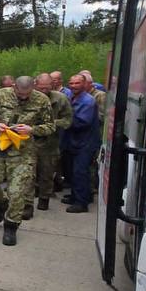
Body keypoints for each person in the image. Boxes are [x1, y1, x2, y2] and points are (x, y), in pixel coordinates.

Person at [0, 75, 53, 246]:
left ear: (33, 88)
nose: (23, 98)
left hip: (24, 153)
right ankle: (0, 205)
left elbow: (50, 126)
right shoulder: (1, 94)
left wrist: (32, 129)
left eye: (27, 95)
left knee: (17, 192)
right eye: (20, 94)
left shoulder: (42, 100)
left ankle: (11, 226)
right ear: (14, 87)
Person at [29, 74, 72, 215]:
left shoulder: (61, 99)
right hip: (29, 142)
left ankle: (44, 198)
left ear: (52, 86)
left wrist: (51, 124)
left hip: (50, 143)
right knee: (27, 174)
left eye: (47, 88)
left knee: (46, 174)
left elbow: (68, 120)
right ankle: (27, 203)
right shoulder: (28, 97)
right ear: (35, 85)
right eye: (41, 88)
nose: (44, 91)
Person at [61, 73, 100, 214]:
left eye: (77, 83)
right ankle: (76, 195)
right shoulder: (72, 97)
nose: (74, 86)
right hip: (74, 142)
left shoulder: (88, 101)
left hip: (85, 143)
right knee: (73, 171)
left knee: (80, 172)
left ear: (84, 84)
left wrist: (61, 122)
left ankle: (81, 203)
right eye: (71, 83)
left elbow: (81, 122)